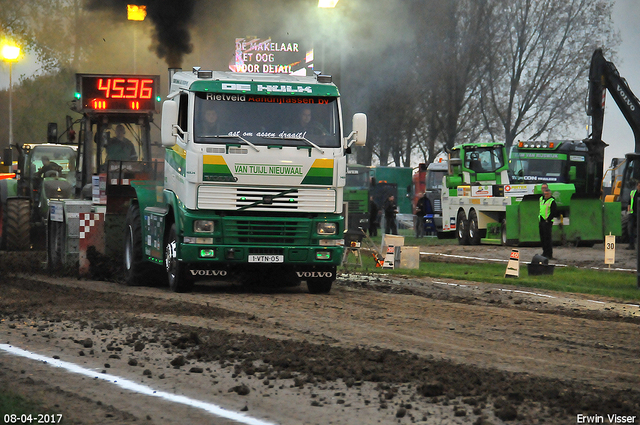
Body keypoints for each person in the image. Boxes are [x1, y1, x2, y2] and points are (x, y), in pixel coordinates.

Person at [539, 184, 558, 259]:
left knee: (548, 238)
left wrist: (548, 219)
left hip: (547, 222)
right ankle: (544, 252)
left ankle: (549, 254)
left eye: (547, 194)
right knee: (542, 238)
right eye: (545, 193)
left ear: (550, 194)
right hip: (541, 220)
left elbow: (554, 212)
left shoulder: (552, 201)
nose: (546, 195)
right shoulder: (541, 199)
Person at [627, 181, 640, 250]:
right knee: (630, 229)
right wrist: (628, 211)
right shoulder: (633, 192)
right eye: (639, 186)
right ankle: (631, 245)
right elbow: (630, 202)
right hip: (632, 213)